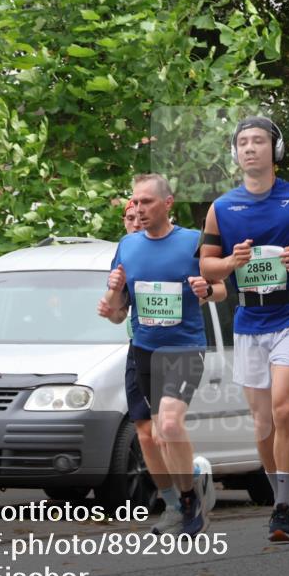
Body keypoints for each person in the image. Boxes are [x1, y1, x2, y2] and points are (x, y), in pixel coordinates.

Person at [199, 116, 289, 542]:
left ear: (274, 150)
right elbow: (207, 265)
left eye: (259, 141)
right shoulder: (221, 207)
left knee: (283, 407)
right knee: (261, 424)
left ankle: (280, 508)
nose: (250, 148)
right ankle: (285, 495)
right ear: (234, 153)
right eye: (243, 142)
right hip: (249, 319)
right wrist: (231, 264)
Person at [99, 174, 226, 537]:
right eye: (135, 203)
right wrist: (111, 301)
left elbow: (220, 291)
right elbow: (120, 312)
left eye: (147, 202)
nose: (139, 209)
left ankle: (188, 503)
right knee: (153, 435)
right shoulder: (127, 245)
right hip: (144, 350)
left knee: (170, 424)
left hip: (185, 347)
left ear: (167, 203)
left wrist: (207, 288)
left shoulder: (191, 242)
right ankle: (180, 498)